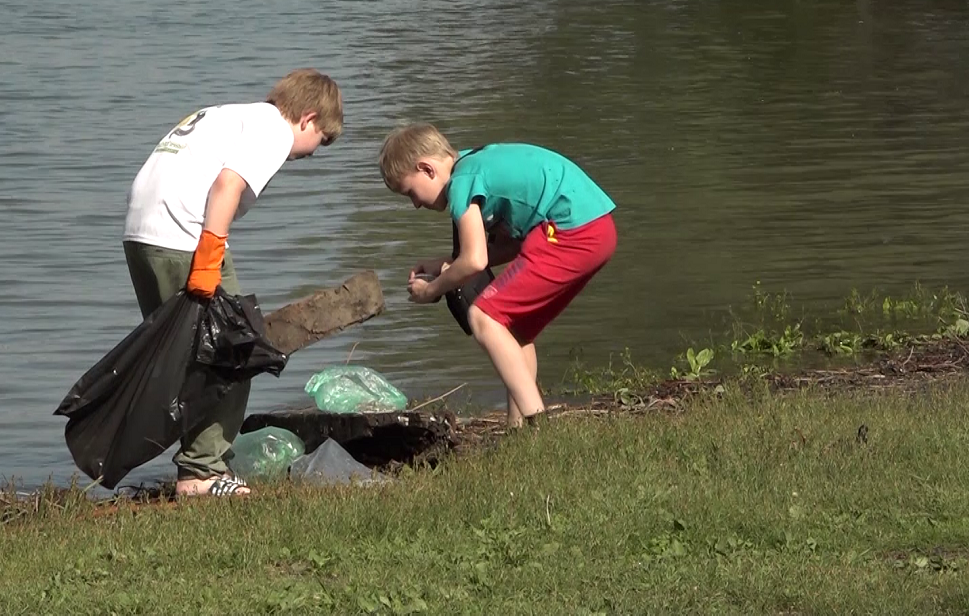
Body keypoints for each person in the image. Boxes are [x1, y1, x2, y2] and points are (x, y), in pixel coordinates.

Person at [122, 69, 343, 496]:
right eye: (322, 139)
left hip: (141, 235)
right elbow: (226, 186)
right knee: (233, 350)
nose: (314, 152)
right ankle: (203, 475)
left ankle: (194, 467)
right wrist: (209, 257)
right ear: (307, 118)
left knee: (188, 355)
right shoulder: (273, 130)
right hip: (183, 236)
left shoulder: (228, 114)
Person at [378, 124, 616, 428]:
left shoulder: (462, 182)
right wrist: (447, 263)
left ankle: (538, 425)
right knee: (512, 330)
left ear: (426, 169)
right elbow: (504, 248)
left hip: (572, 230)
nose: (414, 204)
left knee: (483, 317)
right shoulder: (473, 164)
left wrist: (431, 290)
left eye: (409, 192)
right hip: (596, 227)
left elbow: (475, 261)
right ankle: (517, 429)